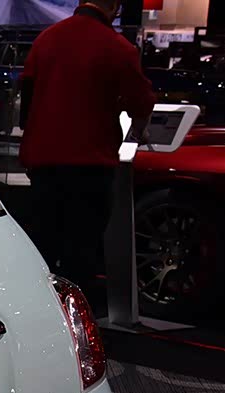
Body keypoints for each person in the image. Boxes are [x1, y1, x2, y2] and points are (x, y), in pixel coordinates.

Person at [19, 0, 156, 290]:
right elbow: (141, 101)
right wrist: (138, 131)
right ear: (115, 7)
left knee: (43, 248)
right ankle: (78, 310)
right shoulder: (118, 47)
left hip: (44, 161)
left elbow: (27, 98)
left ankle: (42, 307)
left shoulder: (46, 38)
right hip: (90, 165)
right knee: (81, 251)